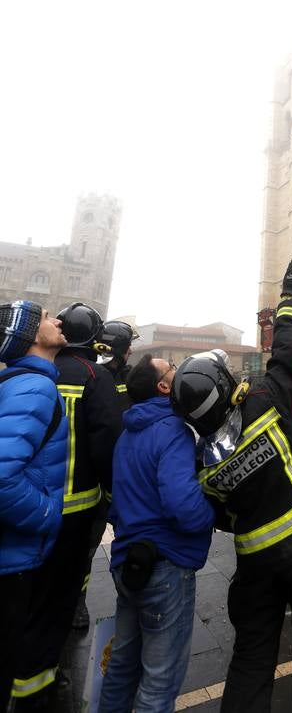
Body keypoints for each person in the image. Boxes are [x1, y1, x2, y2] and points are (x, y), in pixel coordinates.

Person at [171, 260, 292, 713]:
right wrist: (289, 297)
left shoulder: (204, 462)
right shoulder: (266, 402)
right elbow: (288, 350)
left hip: (255, 567)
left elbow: (221, 517)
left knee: (251, 658)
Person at [13, 303, 122, 712]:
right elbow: (108, 444)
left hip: (28, 509)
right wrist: (113, 499)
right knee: (60, 603)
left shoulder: (34, 372)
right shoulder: (94, 377)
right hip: (74, 512)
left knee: (30, 600)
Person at [98, 354, 215, 713]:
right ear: (164, 387)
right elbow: (183, 505)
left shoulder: (128, 434)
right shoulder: (172, 430)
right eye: (172, 369)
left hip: (128, 563)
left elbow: (117, 502)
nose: (178, 371)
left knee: (121, 667)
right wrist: (211, 512)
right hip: (164, 568)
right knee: (159, 683)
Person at [0, 302, 68, 712]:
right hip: (11, 561)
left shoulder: (22, 382)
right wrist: (48, 514)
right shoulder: (34, 388)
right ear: (29, 336)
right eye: (45, 318)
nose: (57, 321)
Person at [71, 320, 139, 631]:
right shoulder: (91, 376)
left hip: (108, 473)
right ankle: (75, 602)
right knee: (85, 544)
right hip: (98, 475)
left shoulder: (122, 377)